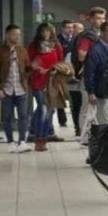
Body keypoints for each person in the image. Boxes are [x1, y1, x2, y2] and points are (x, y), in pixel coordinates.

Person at [0, 25, 32, 153]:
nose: (18, 37)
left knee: (23, 116)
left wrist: (32, 69)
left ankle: (22, 142)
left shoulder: (22, 50)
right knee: (7, 117)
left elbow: (27, 68)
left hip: (21, 89)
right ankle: (10, 142)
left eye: (19, 34)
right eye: (16, 34)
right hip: (6, 90)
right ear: (8, 35)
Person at [27, 23, 64, 152]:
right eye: (43, 31)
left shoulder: (57, 45)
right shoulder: (34, 45)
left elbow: (61, 62)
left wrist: (53, 69)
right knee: (44, 109)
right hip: (38, 81)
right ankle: (40, 138)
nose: (45, 34)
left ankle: (37, 133)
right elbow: (29, 63)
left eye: (48, 31)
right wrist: (37, 68)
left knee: (49, 109)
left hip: (52, 81)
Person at [74, 7, 106, 140]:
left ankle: (96, 134)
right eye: (98, 18)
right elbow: (81, 56)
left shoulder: (102, 35)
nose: (101, 21)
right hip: (88, 74)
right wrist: (95, 54)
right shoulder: (88, 36)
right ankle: (85, 136)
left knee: (98, 107)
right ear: (91, 19)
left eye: (103, 18)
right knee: (87, 106)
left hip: (100, 75)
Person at [84, 22, 108, 139]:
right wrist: (91, 92)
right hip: (101, 92)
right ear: (103, 33)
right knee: (102, 121)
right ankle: (101, 145)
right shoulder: (96, 50)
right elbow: (89, 73)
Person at [55, 20, 74, 128]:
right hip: (60, 70)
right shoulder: (58, 40)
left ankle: (73, 115)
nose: (70, 29)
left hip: (71, 70)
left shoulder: (75, 39)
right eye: (68, 27)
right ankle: (62, 120)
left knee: (72, 94)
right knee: (60, 95)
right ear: (62, 28)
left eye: (71, 27)